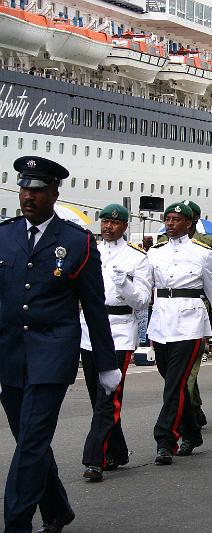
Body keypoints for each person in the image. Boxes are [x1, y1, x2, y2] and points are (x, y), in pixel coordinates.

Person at [0, 156, 120, 532]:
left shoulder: (76, 242)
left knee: (33, 441)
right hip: (10, 352)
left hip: (52, 352)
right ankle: (56, 509)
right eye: (24, 189)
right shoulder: (4, 234)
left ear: (54, 193)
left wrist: (106, 364)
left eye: (36, 190)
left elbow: (94, 307)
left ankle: (16, 523)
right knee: (27, 439)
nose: (28, 197)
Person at [147, 202, 212, 465]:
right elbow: (145, 288)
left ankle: (165, 440)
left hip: (190, 321)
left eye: (176, 219)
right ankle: (192, 431)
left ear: (189, 223)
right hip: (161, 321)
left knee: (174, 382)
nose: (170, 223)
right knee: (173, 380)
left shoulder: (203, 253)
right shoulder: (154, 252)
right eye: (168, 219)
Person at [80, 204, 152, 482]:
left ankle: (94, 459)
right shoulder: (90, 251)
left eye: (114, 222)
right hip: (89, 329)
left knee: (108, 397)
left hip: (119, 331)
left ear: (124, 226)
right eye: (105, 222)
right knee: (95, 397)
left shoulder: (137, 258)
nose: (108, 226)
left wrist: (125, 285)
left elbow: (142, 301)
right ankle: (117, 451)